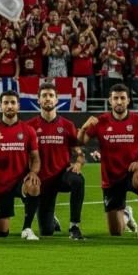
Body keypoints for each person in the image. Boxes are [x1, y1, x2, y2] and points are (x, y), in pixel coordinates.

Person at [78, 83, 138, 240]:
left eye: (122, 98)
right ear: (110, 100)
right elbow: (81, 141)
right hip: (111, 178)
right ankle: (127, 214)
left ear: (128, 101)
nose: (119, 102)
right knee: (116, 232)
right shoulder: (101, 121)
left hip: (132, 173)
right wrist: (84, 127)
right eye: (115, 98)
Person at [27, 82, 86, 240]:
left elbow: (79, 153)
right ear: (38, 100)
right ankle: (51, 220)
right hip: (41, 181)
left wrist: (78, 163)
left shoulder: (67, 125)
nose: (48, 98)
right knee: (46, 232)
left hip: (62, 176)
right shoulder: (29, 127)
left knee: (78, 180)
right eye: (44, 96)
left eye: (51, 95)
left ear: (56, 100)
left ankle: (74, 226)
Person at [0, 90, 41, 240]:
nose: (9, 106)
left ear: (18, 106)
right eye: (6, 103)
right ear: (0, 106)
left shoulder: (28, 130)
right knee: (1, 233)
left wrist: (33, 173)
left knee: (34, 185)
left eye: (13, 103)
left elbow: (36, 159)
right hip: (0, 184)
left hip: (20, 180)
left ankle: (27, 228)